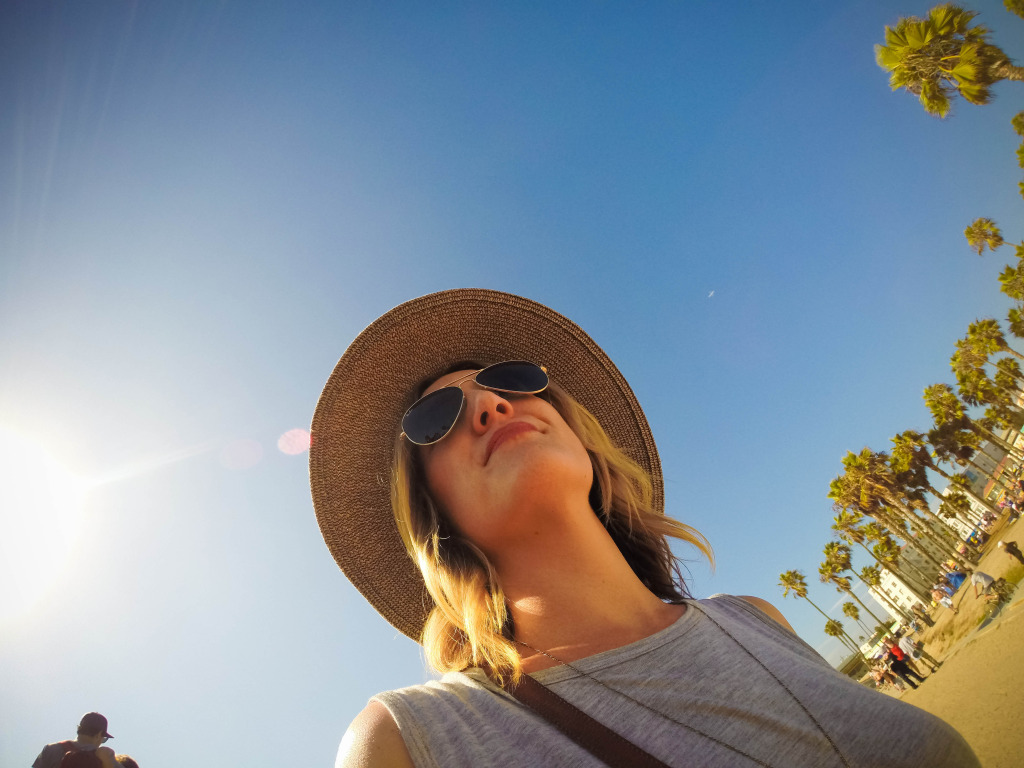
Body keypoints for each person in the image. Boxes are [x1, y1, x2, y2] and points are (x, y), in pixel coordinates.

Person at [310, 289, 981, 768]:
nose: (488, 402)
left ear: (579, 436)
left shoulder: (756, 619)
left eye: (508, 381)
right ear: (437, 522)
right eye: (438, 418)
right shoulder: (406, 743)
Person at [32, 713, 117, 768]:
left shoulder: (51, 749)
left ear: (79, 728)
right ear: (99, 735)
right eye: (104, 739)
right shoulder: (104, 757)